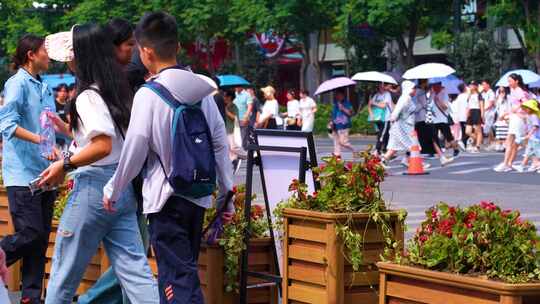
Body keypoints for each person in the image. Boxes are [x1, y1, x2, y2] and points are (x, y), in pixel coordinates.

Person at [101, 12, 234, 303]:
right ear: (177, 46)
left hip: (164, 199)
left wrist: (114, 187)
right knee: (181, 271)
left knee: (177, 277)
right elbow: (220, 144)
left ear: (146, 51)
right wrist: (228, 194)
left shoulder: (148, 95)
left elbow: (135, 148)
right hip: (197, 196)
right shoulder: (202, 89)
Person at [40, 23, 158, 304]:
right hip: (122, 187)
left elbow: (101, 145)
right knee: (136, 273)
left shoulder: (88, 96)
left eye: (70, 54)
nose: (67, 60)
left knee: (64, 272)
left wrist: (64, 164)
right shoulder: (116, 90)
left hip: (92, 188)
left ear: (79, 56)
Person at [76, 17, 150, 304]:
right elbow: (105, 144)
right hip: (119, 181)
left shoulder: (112, 79)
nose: (134, 51)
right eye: (129, 44)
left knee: (132, 259)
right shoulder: (124, 77)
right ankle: (89, 301)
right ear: (113, 47)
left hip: (126, 179)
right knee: (134, 258)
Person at [0, 34, 57, 304]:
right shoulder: (17, 84)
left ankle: (30, 299)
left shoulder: (43, 87)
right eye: (45, 50)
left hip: (46, 174)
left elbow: (48, 126)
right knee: (31, 234)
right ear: (31, 54)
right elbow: (7, 125)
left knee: (39, 242)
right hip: (23, 176)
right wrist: (40, 140)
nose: (49, 55)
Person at [494, 74, 530, 172]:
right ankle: (508, 163)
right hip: (515, 117)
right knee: (514, 143)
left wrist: (516, 109)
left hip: (518, 118)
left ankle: (506, 163)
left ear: (516, 81)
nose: (508, 83)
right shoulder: (514, 91)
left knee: (510, 141)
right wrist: (507, 113)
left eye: (510, 81)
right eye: (508, 81)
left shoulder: (519, 91)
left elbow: (526, 103)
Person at [382, 81, 422, 167]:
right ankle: (415, 163)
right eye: (414, 88)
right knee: (413, 144)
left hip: (404, 125)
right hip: (403, 126)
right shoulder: (405, 98)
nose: (415, 90)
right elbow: (397, 110)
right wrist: (393, 118)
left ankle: (384, 161)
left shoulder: (407, 98)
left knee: (395, 146)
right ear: (409, 89)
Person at [429, 82, 459, 160]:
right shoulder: (431, 94)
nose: (434, 88)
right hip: (434, 119)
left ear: (439, 86)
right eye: (433, 86)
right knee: (433, 137)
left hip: (442, 120)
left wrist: (438, 100)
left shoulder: (444, 94)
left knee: (449, 137)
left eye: (435, 86)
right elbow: (429, 105)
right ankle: (433, 152)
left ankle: (456, 149)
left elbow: (445, 107)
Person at [513, 99, 540, 172]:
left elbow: (535, 126)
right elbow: (522, 117)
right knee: (530, 153)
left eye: (527, 108)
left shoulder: (534, 116)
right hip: (533, 137)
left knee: (533, 152)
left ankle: (534, 165)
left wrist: (529, 134)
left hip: (535, 137)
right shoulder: (529, 115)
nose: (525, 109)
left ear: (531, 108)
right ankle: (523, 166)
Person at [368, 83, 393, 156]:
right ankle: (385, 150)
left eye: (382, 85)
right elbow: (369, 105)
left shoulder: (387, 94)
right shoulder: (376, 95)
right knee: (384, 134)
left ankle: (377, 150)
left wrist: (374, 103)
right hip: (377, 118)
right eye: (379, 85)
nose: (381, 87)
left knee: (381, 134)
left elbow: (383, 106)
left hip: (386, 118)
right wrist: (371, 114)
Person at [331, 89, 355, 158]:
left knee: (343, 142)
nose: (338, 97)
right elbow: (333, 114)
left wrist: (343, 108)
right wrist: (332, 122)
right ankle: (337, 154)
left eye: (339, 95)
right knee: (336, 141)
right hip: (336, 125)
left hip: (344, 125)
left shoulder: (347, 103)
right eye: (337, 95)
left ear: (343, 95)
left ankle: (353, 149)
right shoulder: (335, 104)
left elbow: (350, 113)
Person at [414, 79, 436, 157]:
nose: (428, 83)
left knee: (421, 135)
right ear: (424, 82)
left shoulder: (417, 90)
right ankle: (428, 151)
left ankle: (425, 151)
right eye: (427, 82)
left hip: (418, 117)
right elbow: (425, 104)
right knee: (426, 134)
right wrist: (432, 95)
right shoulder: (420, 91)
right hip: (422, 116)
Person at [223, 89, 243, 174]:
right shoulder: (224, 105)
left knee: (232, 147)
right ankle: (232, 163)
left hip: (231, 130)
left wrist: (226, 111)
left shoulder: (233, 107)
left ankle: (239, 159)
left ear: (229, 97)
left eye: (225, 96)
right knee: (228, 148)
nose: (224, 97)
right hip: (224, 129)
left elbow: (235, 118)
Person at [465, 81, 484, 153]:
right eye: (470, 85)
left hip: (477, 111)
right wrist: (467, 113)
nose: (471, 86)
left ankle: (477, 146)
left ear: (476, 86)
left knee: (478, 130)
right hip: (470, 112)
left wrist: (482, 115)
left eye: (472, 85)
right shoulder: (469, 95)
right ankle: (478, 140)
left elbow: (481, 105)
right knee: (467, 131)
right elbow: (468, 105)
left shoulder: (479, 95)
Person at [452, 83, 469, 150]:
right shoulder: (467, 96)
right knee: (468, 131)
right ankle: (462, 141)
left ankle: (464, 144)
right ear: (464, 88)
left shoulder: (458, 97)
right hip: (466, 115)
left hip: (460, 116)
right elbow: (468, 106)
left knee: (463, 130)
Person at [481, 80, 497, 150]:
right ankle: (491, 142)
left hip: (490, 113)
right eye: (482, 85)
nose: (483, 86)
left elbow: (491, 103)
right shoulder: (484, 93)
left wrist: (484, 110)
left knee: (489, 127)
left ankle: (492, 142)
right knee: (487, 128)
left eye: (484, 84)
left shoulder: (491, 93)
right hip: (485, 113)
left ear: (488, 85)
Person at [494, 86, 510, 152]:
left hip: (506, 116)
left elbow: (509, 108)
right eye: (499, 89)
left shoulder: (508, 97)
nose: (500, 89)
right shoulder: (498, 96)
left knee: (505, 132)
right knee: (499, 132)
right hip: (499, 115)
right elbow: (496, 107)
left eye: (502, 88)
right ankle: (500, 145)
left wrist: (504, 115)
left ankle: (505, 145)